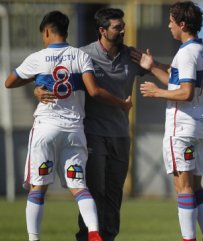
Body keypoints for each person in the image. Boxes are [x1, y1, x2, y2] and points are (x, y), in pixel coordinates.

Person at [4, 10, 132, 241]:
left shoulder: (38, 57)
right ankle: (94, 233)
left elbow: (9, 82)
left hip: (46, 128)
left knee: (38, 188)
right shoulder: (80, 56)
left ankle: (34, 238)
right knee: (80, 188)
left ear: (46, 32)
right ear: (66, 31)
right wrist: (122, 104)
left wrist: (37, 82)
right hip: (74, 132)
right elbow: (93, 90)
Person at [34, 8, 146, 241]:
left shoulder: (131, 56)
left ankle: (109, 237)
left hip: (121, 136)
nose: (123, 30)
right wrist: (37, 89)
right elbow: (56, 78)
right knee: (94, 192)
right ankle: (86, 237)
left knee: (114, 195)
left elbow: (168, 73)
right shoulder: (83, 55)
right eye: (117, 27)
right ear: (102, 31)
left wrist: (155, 65)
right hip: (92, 134)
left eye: (123, 26)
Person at [131, 1, 203, 241]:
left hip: (182, 127)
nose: (168, 25)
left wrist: (156, 92)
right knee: (197, 187)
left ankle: (188, 238)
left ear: (182, 24)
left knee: (184, 187)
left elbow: (186, 92)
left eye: (171, 21)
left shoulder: (186, 53)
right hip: (201, 125)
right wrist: (153, 67)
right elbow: (176, 78)